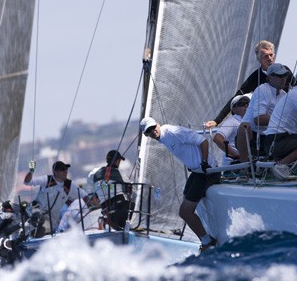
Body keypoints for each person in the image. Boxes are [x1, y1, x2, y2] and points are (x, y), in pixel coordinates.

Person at [140, 117, 220, 252]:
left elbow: (203, 141)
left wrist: (205, 163)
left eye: (153, 127)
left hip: (207, 172)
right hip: (196, 172)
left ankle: (208, 241)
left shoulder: (173, 132)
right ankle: (206, 237)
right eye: (149, 131)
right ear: (146, 135)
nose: (153, 131)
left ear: (157, 124)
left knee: (184, 212)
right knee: (185, 199)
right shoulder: (163, 138)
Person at [205, 40, 275, 128]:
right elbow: (236, 97)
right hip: (264, 121)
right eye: (266, 56)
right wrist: (217, 120)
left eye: (271, 55)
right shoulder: (254, 77)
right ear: (259, 59)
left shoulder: (284, 72)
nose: (270, 58)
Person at [235, 62, 291, 162]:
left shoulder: (284, 95)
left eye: (285, 75)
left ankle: (281, 166)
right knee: (244, 126)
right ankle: (244, 167)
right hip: (253, 136)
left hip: (269, 136)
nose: (283, 78)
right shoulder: (262, 89)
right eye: (279, 75)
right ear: (269, 77)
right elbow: (259, 119)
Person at [24, 160, 86, 233]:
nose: (65, 171)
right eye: (62, 169)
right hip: (37, 212)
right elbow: (27, 182)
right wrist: (31, 171)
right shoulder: (46, 179)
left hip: (50, 220)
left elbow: (85, 195)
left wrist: (93, 206)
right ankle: (22, 232)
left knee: (41, 231)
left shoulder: (69, 185)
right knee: (35, 218)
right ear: (55, 172)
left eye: (66, 169)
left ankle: (30, 233)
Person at [90, 150, 132, 230]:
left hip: (106, 211)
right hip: (119, 212)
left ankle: (107, 221)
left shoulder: (96, 174)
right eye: (119, 161)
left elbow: (96, 193)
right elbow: (130, 189)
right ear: (116, 161)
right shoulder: (118, 173)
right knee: (134, 206)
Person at [213, 94, 249, 165]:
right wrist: (237, 156)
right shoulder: (232, 121)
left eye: (248, 103)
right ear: (234, 109)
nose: (246, 105)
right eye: (241, 103)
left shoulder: (249, 121)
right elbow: (217, 139)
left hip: (246, 162)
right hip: (233, 164)